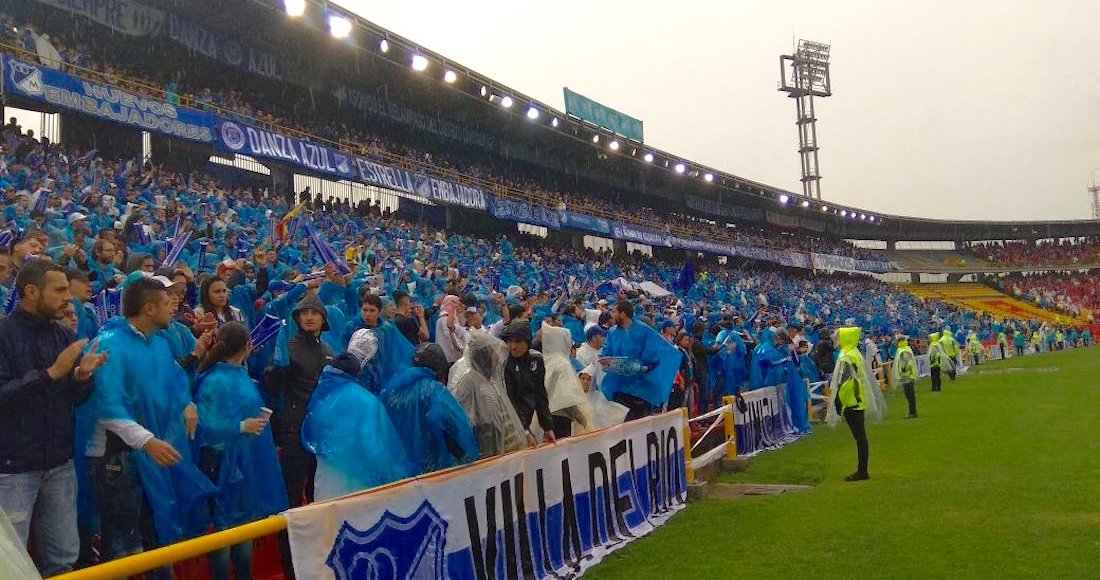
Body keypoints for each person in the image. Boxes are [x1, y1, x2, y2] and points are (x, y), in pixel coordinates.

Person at [78, 275, 215, 572]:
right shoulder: (110, 344)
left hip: (147, 452)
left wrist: (187, 402)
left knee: (153, 535)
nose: (173, 309)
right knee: (122, 544)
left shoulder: (156, 343)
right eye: (167, 303)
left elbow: (173, 379)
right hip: (115, 458)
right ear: (150, 309)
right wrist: (146, 441)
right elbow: (106, 404)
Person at [0, 260, 107, 576]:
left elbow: (74, 399)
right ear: (31, 291)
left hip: (59, 465)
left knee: (63, 559)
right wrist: (52, 374)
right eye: (59, 290)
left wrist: (82, 378)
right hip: (13, 469)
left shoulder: (62, 335)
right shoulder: (3, 335)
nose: (68, 298)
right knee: (11, 563)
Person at [194, 322, 287, 580]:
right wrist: (241, 425)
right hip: (222, 463)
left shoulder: (237, 375)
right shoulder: (215, 380)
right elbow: (206, 424)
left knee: (242, 524)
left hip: (242, 462)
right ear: (248, 346)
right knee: (224, 528)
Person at [302, 329, 413, 500]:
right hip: (357, 488)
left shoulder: (321, 397)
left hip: (324, 487)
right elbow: (375, 448)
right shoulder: (366, 401)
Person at [264, 292, 332, 509]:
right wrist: (276, 366)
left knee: (319, 491)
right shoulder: (289, 348)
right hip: (295, 430)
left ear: (323, 318)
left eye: (314, 313)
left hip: (321, 430)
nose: (309, 317)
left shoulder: (327, 351)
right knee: (291, 494)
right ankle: (288, 543)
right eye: (304, 313)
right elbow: (271, 387)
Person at [379, 343, 479, 474]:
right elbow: (454, 428)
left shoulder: (391, 389)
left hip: (397, 471)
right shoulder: (434, 391)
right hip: (431, 470)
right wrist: (467, 456)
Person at [447, 330, 529, 457]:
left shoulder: (490, 381)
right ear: (485, 356)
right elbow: (466, 420)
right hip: (486, 456)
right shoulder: (469, 382)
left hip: (502, 455)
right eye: (493, 354)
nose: (497, 358)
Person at [599, 302, 680, 420]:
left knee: (643, 428)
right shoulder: (612, 333)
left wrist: (643, 368)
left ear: (622, 314)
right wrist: (605, 361)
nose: (611, 315)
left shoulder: (644, 331)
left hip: (641, 390)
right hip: (619, 389)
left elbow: (658, 354)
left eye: (614, 312)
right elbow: (605, 354)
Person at [825, 327, 885, 482]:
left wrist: (838, 400)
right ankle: (862, 470)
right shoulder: (855, 353)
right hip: (858, 399)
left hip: (851, 401)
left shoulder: (846, 356)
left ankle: (862, 471)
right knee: (861, 437)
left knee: (860, 438)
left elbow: (844, 381)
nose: (836, 339)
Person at [500, 322, 556, 442]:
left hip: (526, 418)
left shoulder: (536, 360)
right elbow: (510, 398)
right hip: (507, 424)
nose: (513, 346)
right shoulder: (504, 363)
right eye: (510, 342)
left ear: (527, 342)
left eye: (518, 342)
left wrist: (547, 426)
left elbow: (540, 394)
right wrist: (523, 429)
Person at [540, 322, 593, 438]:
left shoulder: (545, 361)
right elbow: (566, 399)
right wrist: (582, 420)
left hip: (544, 418)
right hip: (560, 419)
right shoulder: (562, 364)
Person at [434, 294, 469, 364]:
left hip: (449, 357)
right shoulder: (445, 318)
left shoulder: (447, 317)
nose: (461, 306)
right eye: (458, 304)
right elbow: (450, 337)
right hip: (450, 359)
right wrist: (463, 350)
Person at [893, 335, 918, 418]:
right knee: (909, 395)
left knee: (909, 395)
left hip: (907, 376)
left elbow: (908, 363)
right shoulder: (904, 349)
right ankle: (912, 412)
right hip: (907, 375)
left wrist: (903, 371)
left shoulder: (903, 351)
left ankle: (912, 413)